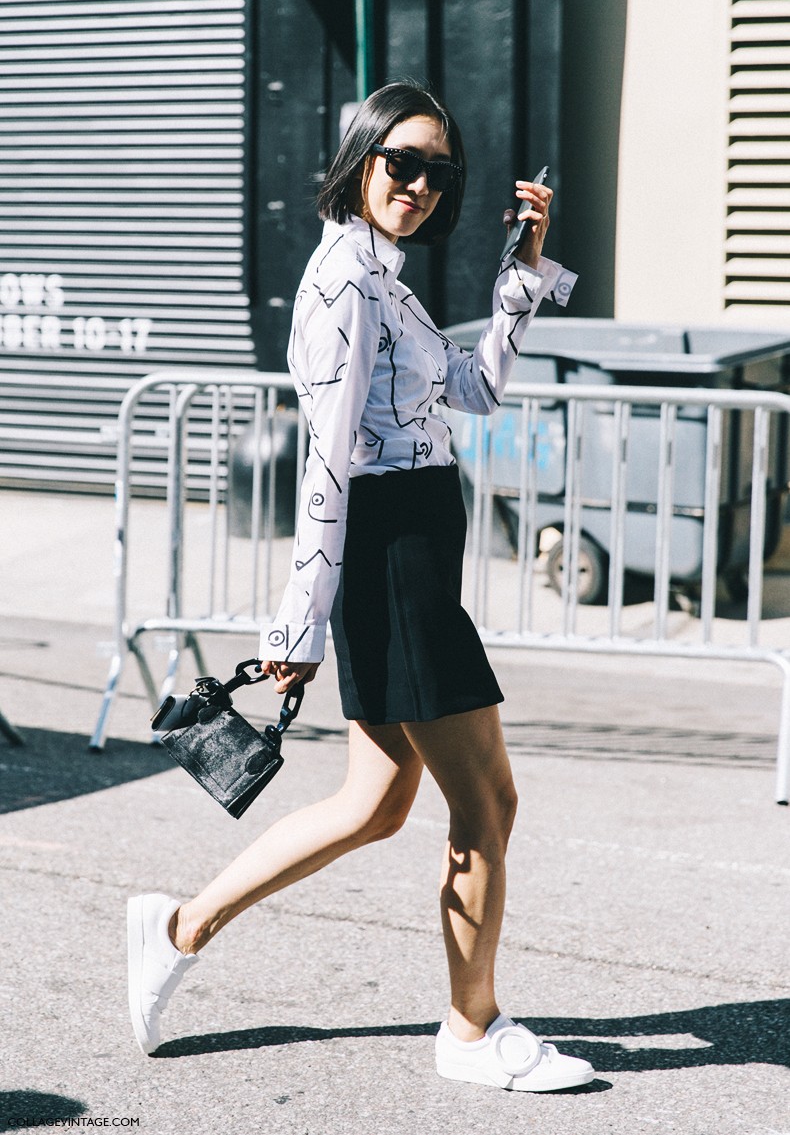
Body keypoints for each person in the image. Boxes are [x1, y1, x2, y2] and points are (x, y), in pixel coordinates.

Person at [127, 82, 594, 1093]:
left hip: (414, 545)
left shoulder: (382, 278)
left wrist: (519, 268)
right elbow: (327, 463)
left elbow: (471, 391)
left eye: (441, 170)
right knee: (486, 804)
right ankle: (472, 1032)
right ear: (360, 161)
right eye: (403, 162)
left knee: (375, 804)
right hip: (394, 561)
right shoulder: (344, 283)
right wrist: (297, 618)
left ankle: (177, 924)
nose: (421, 184)